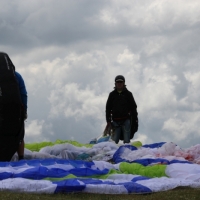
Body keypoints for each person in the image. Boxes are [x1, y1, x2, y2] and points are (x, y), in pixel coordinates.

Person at [105, 75, 138, 144]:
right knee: (114, 142)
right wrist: (108, 120)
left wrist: (135, 120)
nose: (119, 84)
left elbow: (133, 107)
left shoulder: (128, 94)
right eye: (118, 82)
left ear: (123, 83)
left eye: (121, 82)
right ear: (115, 84)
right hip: (115, 121)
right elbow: (108, 108)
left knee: (126, 141)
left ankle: (126, 153)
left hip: (126, 121)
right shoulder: (112, 95)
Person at [15, 71, 28, 160]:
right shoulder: (16, 75)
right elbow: (23, 94)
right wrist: (24, 111)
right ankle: (21, 157)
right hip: (16, 112)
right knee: (20, 136)